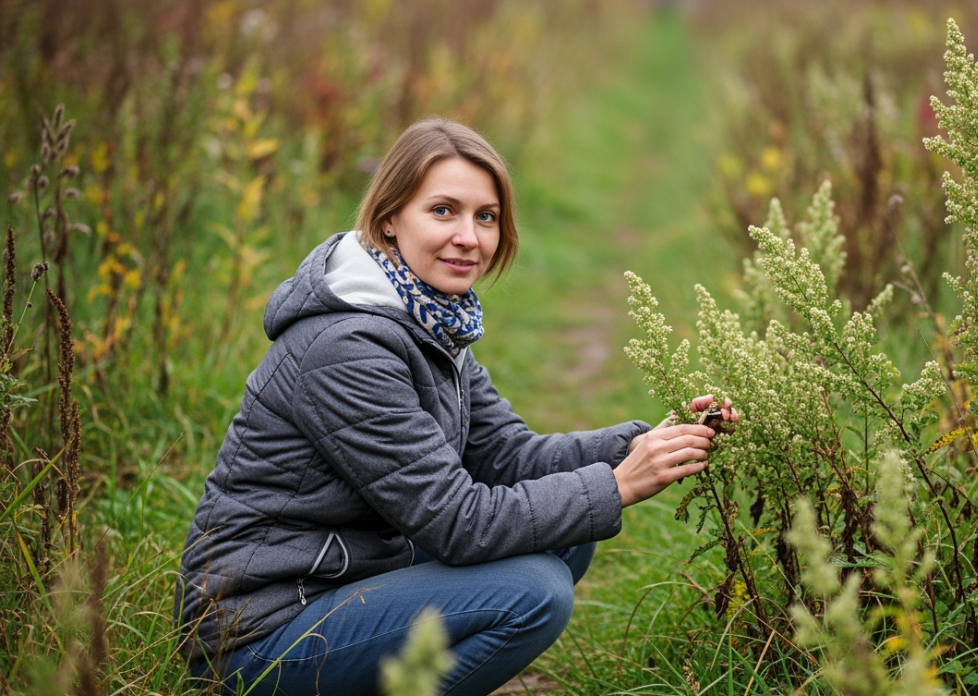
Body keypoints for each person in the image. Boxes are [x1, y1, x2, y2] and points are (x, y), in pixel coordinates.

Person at [175, 118, 735, 696]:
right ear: (389, 218)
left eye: (485, 216)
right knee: (534, 589)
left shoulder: (425, 318)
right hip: (260, 634)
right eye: (443, 210)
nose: (469, 236)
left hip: (350, 570)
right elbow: (457, 522)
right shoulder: (345, 347)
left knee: (567, 527)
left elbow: (507, 454)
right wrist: (617, 486)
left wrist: (643, 446)